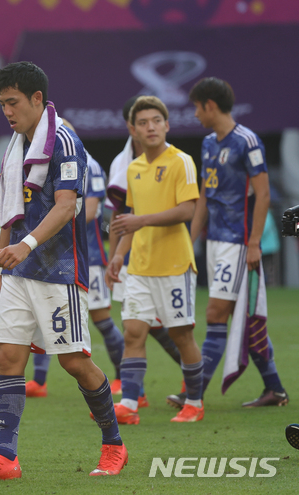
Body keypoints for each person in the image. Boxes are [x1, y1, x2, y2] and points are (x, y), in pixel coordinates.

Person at [0, 62, 127, 482]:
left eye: (13, 102)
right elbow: (8, 212)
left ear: (37, 99)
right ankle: (6, 457)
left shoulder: (64, 141)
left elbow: (67, 207)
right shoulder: (16, 145)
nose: (7, 112)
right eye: (2, 104)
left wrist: (25, 246)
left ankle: (114, 444)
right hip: (17, 271)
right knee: (8, 357)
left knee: (74, 361)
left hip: (59, 271)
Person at [170, 77, 288, 408]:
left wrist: (254, 243)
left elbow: (263, 194)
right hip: (215, 242)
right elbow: (204, 196)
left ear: (210, 105)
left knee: (216, 313)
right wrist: (189, 240)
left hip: (238, 242)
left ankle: (193, 392)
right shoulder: (209, 143)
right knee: (244, 319)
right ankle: (275, 389)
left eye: (197, 107)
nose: (195, 114)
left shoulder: (247, 141)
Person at [106, 95, 204, 424]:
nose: (151, 127)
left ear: (167, 125)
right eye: (143, 123)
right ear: (133, 130)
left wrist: (141, 220)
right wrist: (119, 256)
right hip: (139, 268)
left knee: (181, 335)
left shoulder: (181, 161)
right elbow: (132, 219)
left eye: (157, 121)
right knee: (133, 332)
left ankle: (195, 402)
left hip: (175, 266)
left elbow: (187, 210)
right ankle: (129, 405)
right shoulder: (133, 169)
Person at [25, 151, 125, 399]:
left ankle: (124, 377)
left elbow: (90, 211)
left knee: (102, 319)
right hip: (55, 256)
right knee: (47, 315)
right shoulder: (46, 161)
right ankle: (39, 381)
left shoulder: (90, 164)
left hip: (87, 257)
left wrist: (51, 220)